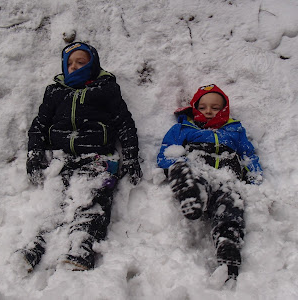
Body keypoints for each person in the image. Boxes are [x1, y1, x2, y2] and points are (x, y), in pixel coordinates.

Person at [17, 41, 142, 272]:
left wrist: (131, 155)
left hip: (98, 156)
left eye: (81, 62)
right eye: (70, 63)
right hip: (62, 157)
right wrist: (34, 154)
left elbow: (124, 123)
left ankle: (81, 246)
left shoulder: (105, 89)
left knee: (91, 199)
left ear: (93, 65)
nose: (74, 66)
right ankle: (35, 245)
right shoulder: (55, 92)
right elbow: (40, 125)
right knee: (54, 202)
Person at [157, 84, 262, 281]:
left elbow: (248, 154)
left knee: (231, 203)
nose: (209, 112)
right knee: (194, 177)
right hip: (199, 169)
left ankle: (228, 243)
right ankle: (190, 192)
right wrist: (174, 164)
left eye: (215, 108)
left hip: (227, 177)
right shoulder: (184, 127)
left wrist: (254, 176)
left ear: (224, 110)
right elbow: (168, 149)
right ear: (195, 108)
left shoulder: (235, 130)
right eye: (203, 107)